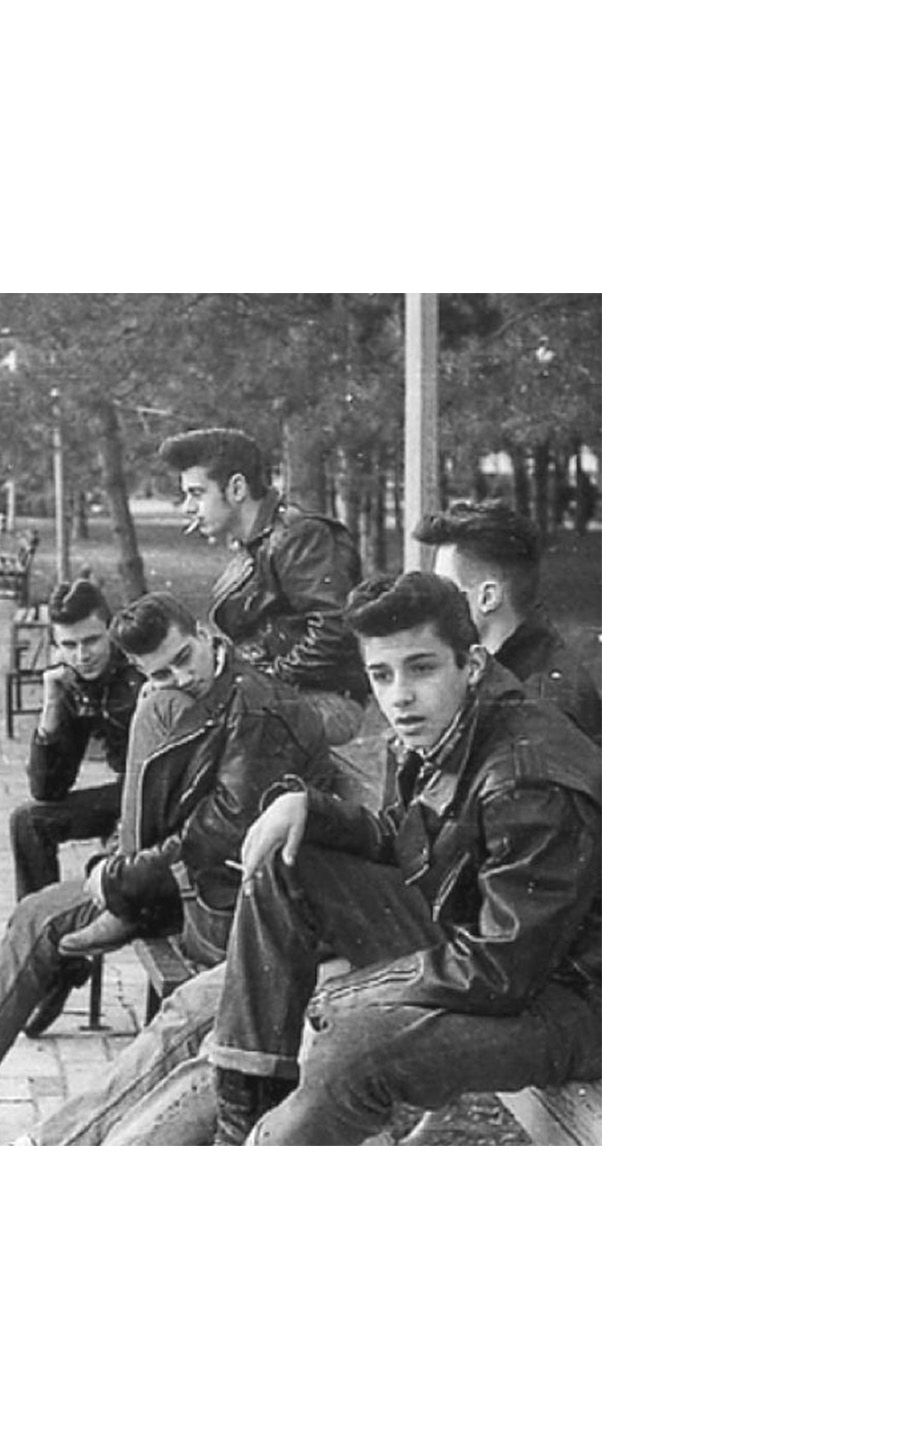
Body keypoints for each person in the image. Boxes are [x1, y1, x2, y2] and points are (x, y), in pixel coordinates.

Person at [0, 593, 332, 1144]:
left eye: (183, 658)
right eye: (160, 672)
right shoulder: (183, 696)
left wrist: (118, 877)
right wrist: (118, 867)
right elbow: (104, 797)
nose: (179, 677)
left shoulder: (255, 709)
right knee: (36, 914)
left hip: (222, 898)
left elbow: (216, 834)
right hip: (173, 880)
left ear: (203, 633)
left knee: (75, 911)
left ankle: (98, 941)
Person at [201, 571, 601, 1145]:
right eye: (381, 675)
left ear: (473, 664)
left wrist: (352, 993)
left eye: (422, 668)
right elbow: (408, 836)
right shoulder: (452, 725)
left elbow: (504, 972)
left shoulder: (526, 777)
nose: (399, 696)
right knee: (285, 864)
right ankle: (241, 1122)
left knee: (356, 1050)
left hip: (572, 1002)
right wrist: (307, 806)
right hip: (485, 945)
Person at [161, 428, 384, 809]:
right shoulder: (259, 544)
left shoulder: (299, 536)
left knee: (192, 730)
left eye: (196, 493)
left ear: (236, 488)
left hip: (326, 702)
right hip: (285, 697)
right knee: (163, 703)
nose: (187, 507)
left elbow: (335, 628)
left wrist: (262, 683)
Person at [9, 580, 143, 919]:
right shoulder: (74, 682)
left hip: (160, 796)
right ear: (56, 645)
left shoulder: (140, 670)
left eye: (92, 640)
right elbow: (48, 788)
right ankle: (36, 924)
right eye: (69, 645)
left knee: (106, 870)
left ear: (111, 630)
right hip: (124, 793)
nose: (82, 656)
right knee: (29, 822)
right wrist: (52, 704)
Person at [414, 500, 598, 741]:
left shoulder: (537, 703)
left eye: (443, 590)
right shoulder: (497, 674)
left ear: (488, 598)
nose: (432, 605)